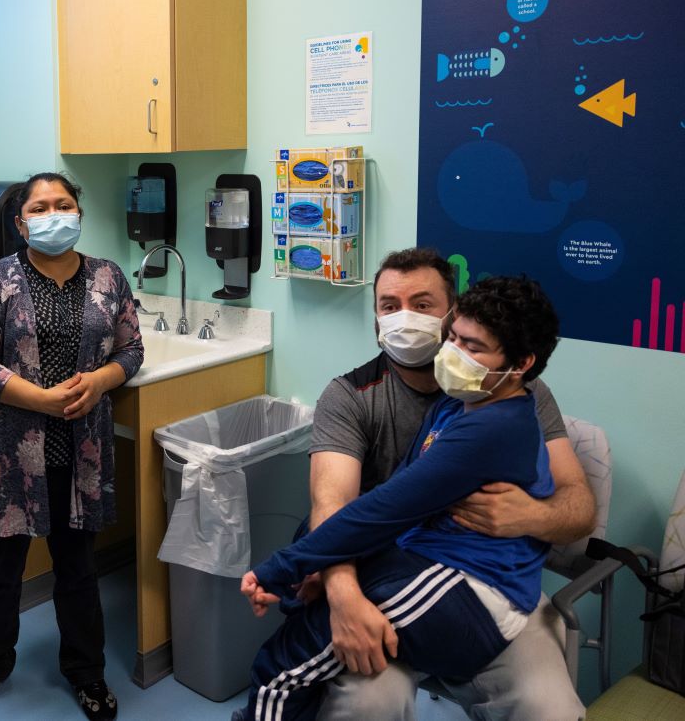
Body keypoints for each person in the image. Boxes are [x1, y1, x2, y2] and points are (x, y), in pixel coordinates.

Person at [237, 276, 565, 721]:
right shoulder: (458, 401)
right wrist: (319, 567)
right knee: (313, 626)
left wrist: (280, 567)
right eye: (453, 337)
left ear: (521, 363)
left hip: (470, 590)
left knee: (284, 664)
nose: (454, 353)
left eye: (474, 347)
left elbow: (389, 507)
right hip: (426, 562)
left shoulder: (496, 426)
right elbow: (358, 505)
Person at [0, 173, 144, 721]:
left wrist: (102, 380)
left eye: (64, 204)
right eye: (41, 207)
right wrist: (38, 399)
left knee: (78, 570)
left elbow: (131, 349)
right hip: (9, 454)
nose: (54, 214)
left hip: (78, 452)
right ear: (22, 222)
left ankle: (85, 673)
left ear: (79, 213)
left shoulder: (108, 277)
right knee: (0, 571)